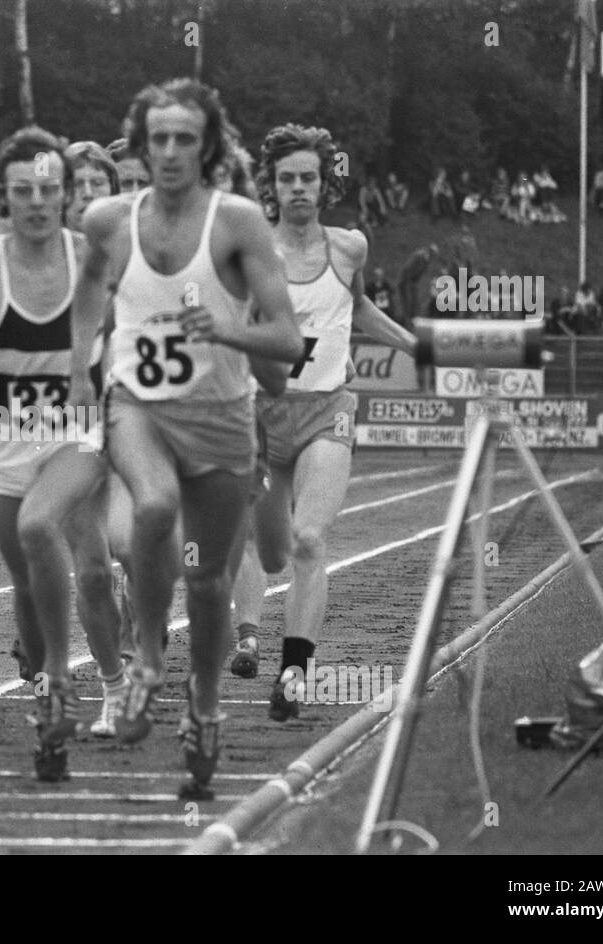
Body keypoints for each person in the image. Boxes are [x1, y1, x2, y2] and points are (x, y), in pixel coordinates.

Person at [71, 79, 303, 796]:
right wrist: (83, 372)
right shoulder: (109, 220)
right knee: (151, 505)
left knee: (206, 582)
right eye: (157, 139)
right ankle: (145, 659)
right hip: (138, 407)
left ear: (207, 147)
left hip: (221, 417)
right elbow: (84, 304)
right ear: (140, 145)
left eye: (184, 139)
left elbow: (288, 342)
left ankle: (202, 707)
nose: (170, 152)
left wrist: (225, 328)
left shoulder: (237, 223)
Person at [0, 127, 125, 780]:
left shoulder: (94, 259)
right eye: (24, 191)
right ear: (6, 197)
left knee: (76, 555)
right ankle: (50, 694)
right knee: (40, 582)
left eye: (50, 189)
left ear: (65, 197)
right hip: (9, 441)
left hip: (77, 429)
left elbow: (108, 329)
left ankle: (105, 681)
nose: (39, 201)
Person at [228, 124, 417, 725]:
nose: (299, 189)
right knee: (269, 548)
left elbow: (357, 306)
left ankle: (295, 673)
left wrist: (418, 347)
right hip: (262, 415)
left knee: (310, 539)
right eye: (287, 179)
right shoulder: (252, 252)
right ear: (272, 186)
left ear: (325, 181)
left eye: (309, 177)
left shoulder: (349, 248)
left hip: (327, 410)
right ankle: (248, 632)